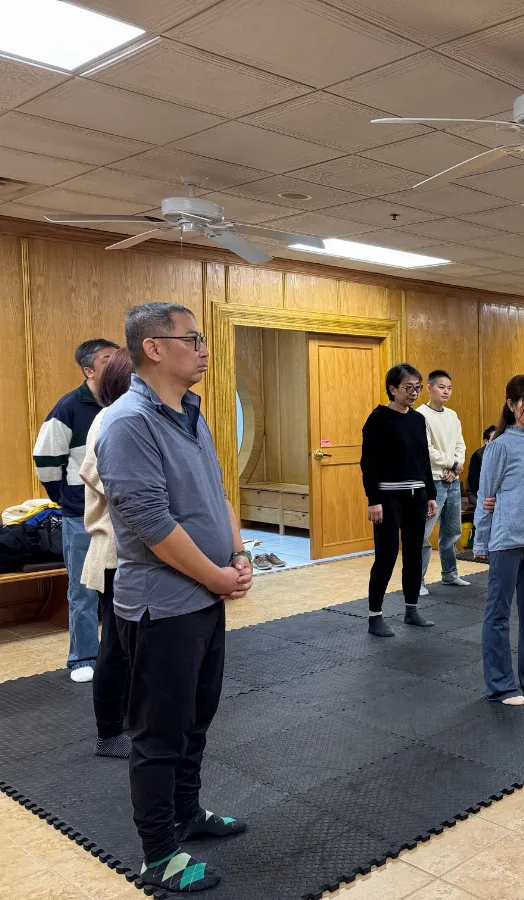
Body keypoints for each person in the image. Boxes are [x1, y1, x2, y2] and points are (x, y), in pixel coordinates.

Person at [97, 303, 252, 893]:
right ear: (155, 348)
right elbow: (152, 525)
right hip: (162, 607)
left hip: (204, 602)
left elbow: (217, 493)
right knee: (159, 734)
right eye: (194, 339)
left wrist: (236, 556)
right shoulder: (127, 423)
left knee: (196, 719)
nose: (205, 350)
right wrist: (216, 577)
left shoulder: (191, 412)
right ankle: (158, 854)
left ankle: (187, 814)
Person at [34, 337, 118, 682]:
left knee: (119, 586)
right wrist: (67, 498)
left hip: (120, 513)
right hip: (79, 515)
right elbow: (45, 460)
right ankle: (82, 657)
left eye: (118, 357)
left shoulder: (127, 401)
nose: (115, 364)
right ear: (88, 370)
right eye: (106, 359)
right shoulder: (68, 407)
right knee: (83, 590)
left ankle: (120, 653)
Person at [472, 375, 524, 705]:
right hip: (506, 540)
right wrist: (481, 542)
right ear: (511, 405)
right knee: (498, 612)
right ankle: (501, 685)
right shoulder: (499, 447)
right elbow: (485, 495)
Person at [79, 348, 134, 758]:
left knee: (134, 647)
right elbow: (122, 490)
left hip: (132, 552)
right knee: (115, 646)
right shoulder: (110, 420)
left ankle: (130, 722)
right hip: (116, 553)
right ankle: (109, 734)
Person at [361, 363, 439, 635]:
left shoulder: (418, 419)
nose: (414, 392)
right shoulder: (378, 419)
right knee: (387, 554)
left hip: (416, 495)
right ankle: (375, 616)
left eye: (417, 387)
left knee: (414, 552)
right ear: (393, 389)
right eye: (409, 387)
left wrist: (430, 494)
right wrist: (374, 500)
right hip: (387, 496)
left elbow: (423, 460)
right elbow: (368, 464)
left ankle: (411, 609)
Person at [418, 369, 470, 591]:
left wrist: (455, 468)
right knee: (423, 533)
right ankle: (416, 581)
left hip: (452, 481)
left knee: (452, 532)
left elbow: (461, 444)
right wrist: (450, 464)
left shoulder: (452, 415)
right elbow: (426, 450)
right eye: (441, 387)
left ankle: (449, 573)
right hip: (434, 483)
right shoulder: (420, 415)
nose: (446, 391)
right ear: (429, 388)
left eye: (449, 387)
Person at [467, 426, 497, 507]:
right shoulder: (477, 455)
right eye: (494, 439)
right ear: (486, 441)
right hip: (476, 493)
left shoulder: (500, 454)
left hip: (495, 495)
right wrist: (485, 497)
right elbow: (473, 481)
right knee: (487, 506)